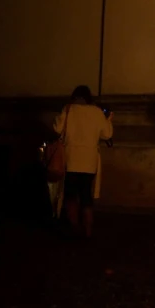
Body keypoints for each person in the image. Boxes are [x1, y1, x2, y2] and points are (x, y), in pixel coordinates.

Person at [52, 85, 113, 238]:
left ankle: (74, 226)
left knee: (70, 195)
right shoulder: (97, 112)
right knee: (86, 195)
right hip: (89, 162)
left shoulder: (68, 109)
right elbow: (107, 134)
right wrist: (109, 119)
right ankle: (88, 228)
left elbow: (57, 128)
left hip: (71, 159)